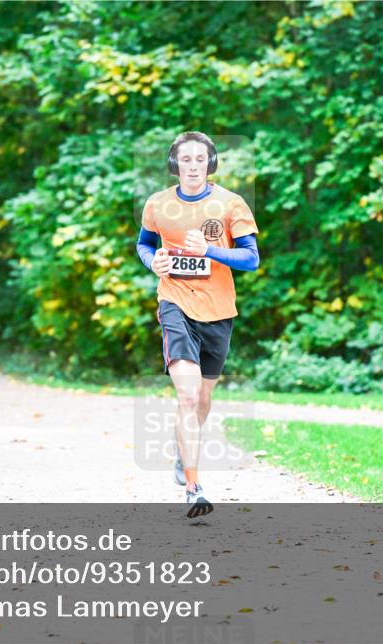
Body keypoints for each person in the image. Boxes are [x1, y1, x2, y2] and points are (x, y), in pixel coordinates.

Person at [136, 131, 260, 518]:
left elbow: (251, 259)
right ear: (175, 165)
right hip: (174, 304)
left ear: (210, 163)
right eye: (185, 159)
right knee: (187, 396)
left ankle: (181, 450)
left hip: (219, 312)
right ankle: (194, 486)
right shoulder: (157, 204)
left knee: (203, 398)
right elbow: (144, 244)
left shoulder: (230, 203)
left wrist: (207, 250)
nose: (192, 166)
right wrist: (151, 261)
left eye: (199, 159)